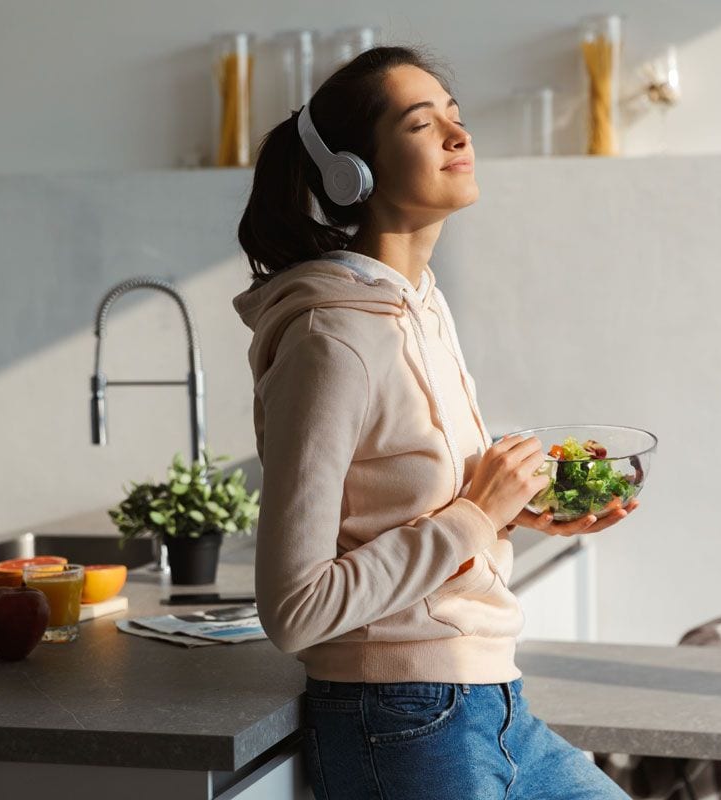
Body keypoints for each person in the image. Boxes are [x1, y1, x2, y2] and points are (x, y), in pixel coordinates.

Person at [233, 44, 638, 800]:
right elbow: (295, 610)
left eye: (458, 119)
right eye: (424, 125)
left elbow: (411, 501)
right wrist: (475, 516)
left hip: (496, 703)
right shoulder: (334, 338)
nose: (460, 136)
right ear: (353, 172)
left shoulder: (418, 305)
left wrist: (521, 511)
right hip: (400, 718)